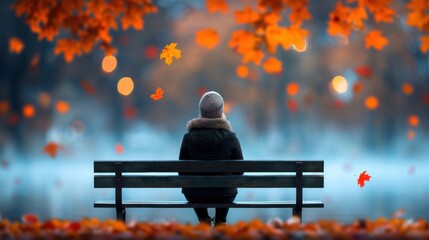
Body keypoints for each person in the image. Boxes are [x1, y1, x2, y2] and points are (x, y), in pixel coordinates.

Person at [179, 91, 244, 226]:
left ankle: (203, 218)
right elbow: (240, 170)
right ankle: (220, 220)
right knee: (227, 186)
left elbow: (182, 171)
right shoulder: (231, 137)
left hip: (196, 195)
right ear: (220, 111)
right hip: (224, 194)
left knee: (192, 187)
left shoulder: (188, 137)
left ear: (201, 111)